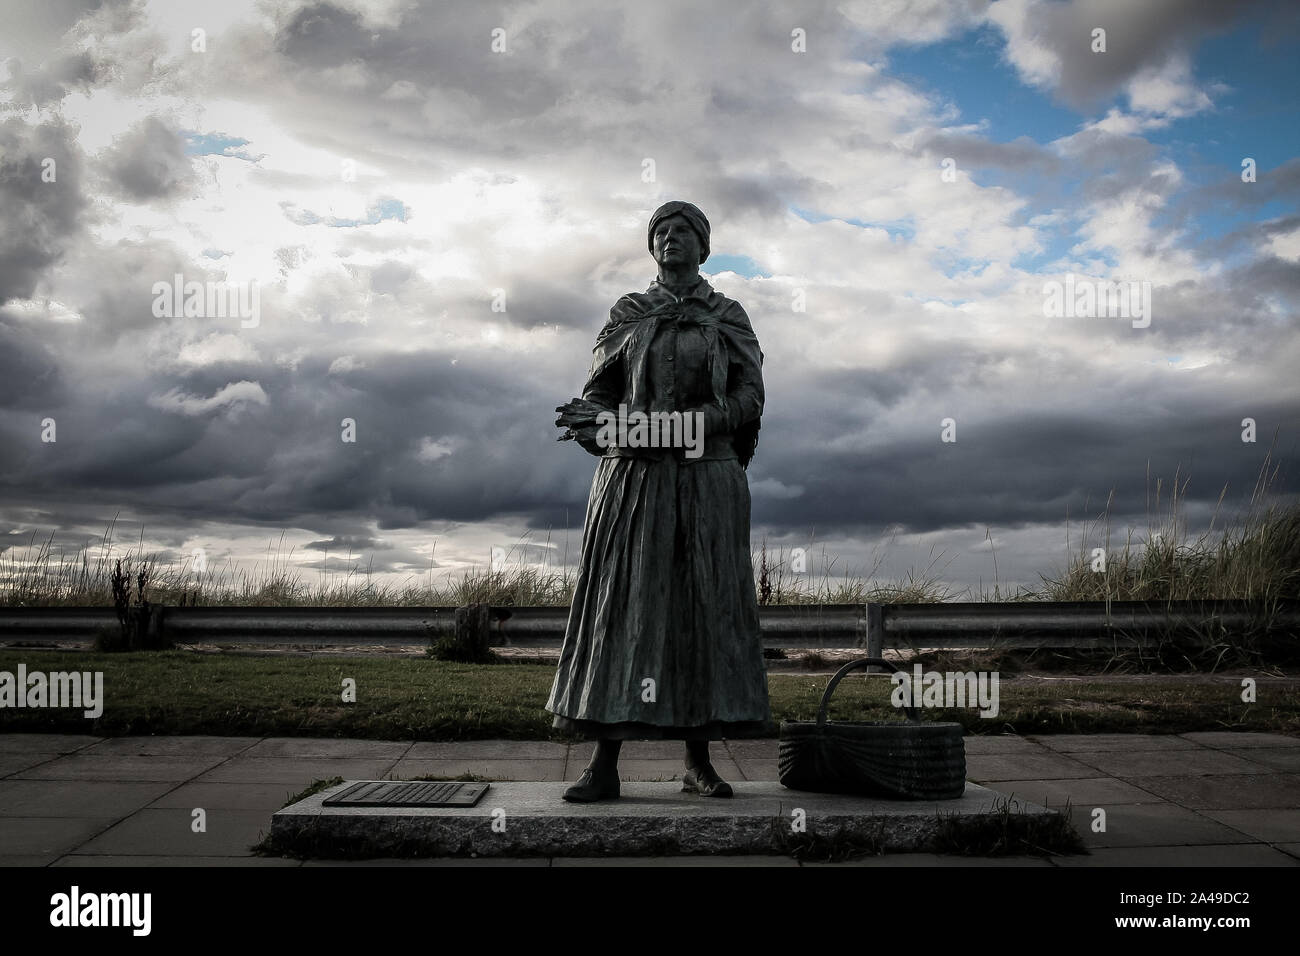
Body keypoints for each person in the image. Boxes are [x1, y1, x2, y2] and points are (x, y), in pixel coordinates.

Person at [549, 200, 773, 802]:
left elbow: (753, 395)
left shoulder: (727, 314)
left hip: (708, 481)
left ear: (704, 247)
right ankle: (603, 762)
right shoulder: (629, 313)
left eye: (685, 231)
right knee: (625, 609)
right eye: (663, 232)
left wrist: (700, 421)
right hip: (637, 482)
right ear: (653, 248)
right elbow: (599, 396)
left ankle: (699, 762)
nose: (673, 239)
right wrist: (604, 426)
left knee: (702, 607)